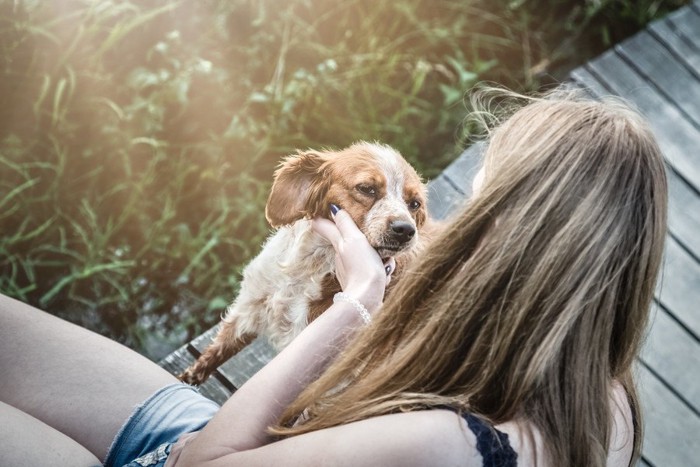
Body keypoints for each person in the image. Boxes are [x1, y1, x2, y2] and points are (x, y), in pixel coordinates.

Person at [0, 88, 667, 467]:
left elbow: (200, 463)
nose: (444, 222)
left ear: (511, 232)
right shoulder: (607, 405)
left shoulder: (443, 443)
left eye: (479, 198)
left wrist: (354, 305)